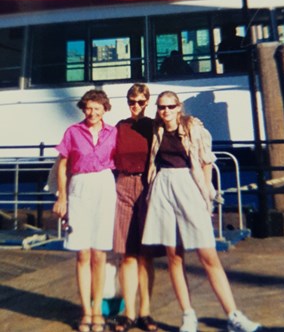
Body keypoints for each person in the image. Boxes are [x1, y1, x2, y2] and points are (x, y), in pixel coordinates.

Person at [142, 91, 262, 332]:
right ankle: (188, 316)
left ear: (179, 107)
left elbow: (206, 163)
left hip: (189, 185)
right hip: (162, 188)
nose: (165, 111)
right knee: (174, 256)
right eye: (161, 107)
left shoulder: (194, 128)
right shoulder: (157, 130)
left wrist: (206, 195)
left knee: (208, 255)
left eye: (170, 106)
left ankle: (234, 315)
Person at [53, 89, 117, 332]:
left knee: (100, 254)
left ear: (105, 109)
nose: (92, 112)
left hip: (104, 186)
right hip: (79, 186)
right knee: (82, 254)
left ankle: (98, 310)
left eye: (97, 108)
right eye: (88, 108)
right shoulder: (72, 132)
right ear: (83, 108)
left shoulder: (113, 133)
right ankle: (86, 312)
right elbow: (62, 167)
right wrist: (63, 198)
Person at [113, 83, 158, 332]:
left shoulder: (154, 126)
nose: (136, 106)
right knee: (127, 253)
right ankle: (128, 312)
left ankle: (145, 312)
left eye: (141, 101)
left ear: (147, 102)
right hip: (123, 184)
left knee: (146, 255)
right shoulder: (121, 126)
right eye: (132, 101)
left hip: (147, 185)